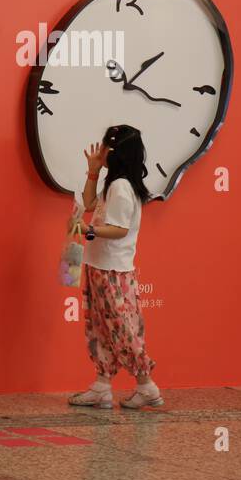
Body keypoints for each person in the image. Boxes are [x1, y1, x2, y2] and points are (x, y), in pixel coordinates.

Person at [68, 124, 163, 411]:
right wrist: (93, 172)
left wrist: (88, 231)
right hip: (100, 266)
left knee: (122, 328)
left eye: (107, 147)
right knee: (100, 327)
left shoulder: (122, 187)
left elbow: (119, 230)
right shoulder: (116, 184)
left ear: (119, 153)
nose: (103, 151)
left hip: (112, 271)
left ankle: (146, 385)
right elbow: (88, 202)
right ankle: (101, 386)